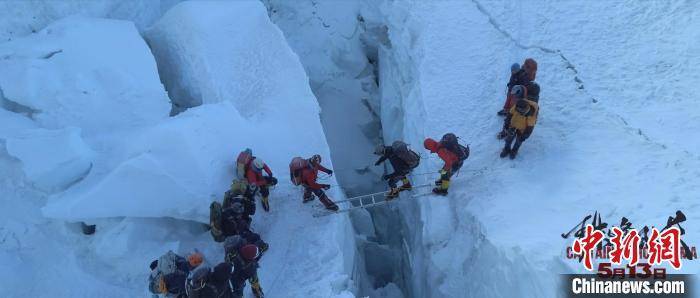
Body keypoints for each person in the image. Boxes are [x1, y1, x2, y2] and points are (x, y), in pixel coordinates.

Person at [500, 92, 539, 159]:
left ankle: (514, 151)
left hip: (522, 130)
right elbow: (510, 114)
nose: (517, 111)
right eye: (517, 109)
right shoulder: (517, 106)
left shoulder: (531, 116)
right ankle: (506, 149)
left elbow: (530, 128)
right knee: (508, 139)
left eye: (520, 110)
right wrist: (506, 124)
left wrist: (524, 136)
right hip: (513, 126)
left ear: (525, 109)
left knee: (518, 142)